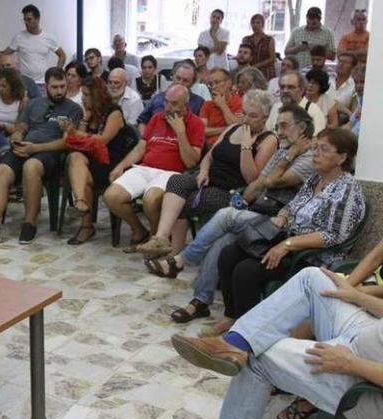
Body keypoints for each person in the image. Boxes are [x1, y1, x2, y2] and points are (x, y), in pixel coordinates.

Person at [170, 251, 383, 419]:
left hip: (361, 381)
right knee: (311, 278)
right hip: (365, 335)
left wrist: (351, 363)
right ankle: (235, 343)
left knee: (259, 353)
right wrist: (356, 295)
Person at [150, 105, 317, 328]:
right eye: (278, 126)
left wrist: (287, 158)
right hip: (258, 211)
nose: (280, 131)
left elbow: (273, 181)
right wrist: (250, 194)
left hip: (280, 220)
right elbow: (254, 186)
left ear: (303, 127)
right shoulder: (282, 152)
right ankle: (200, 300)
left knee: (226, 215)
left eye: (284, 125)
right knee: (223, 238)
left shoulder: (308, 157)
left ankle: (182, 260)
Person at [215, 128, 365, 330]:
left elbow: (333, 236)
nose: (316, 153)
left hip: (312, 256)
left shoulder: (347, 188)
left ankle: (246, 331)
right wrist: (282, 217)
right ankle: (231, 316)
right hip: (288, 240)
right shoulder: (315, 179)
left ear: (341, 158)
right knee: (229, 253)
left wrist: (288, 244)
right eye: (315, 148)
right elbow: (292, 206)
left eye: (324, 149)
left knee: (247, 270)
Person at [137, 89, 276, 257]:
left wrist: (246, 147)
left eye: (252, 116)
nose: (246, 119)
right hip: (208, 178)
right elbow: (209, 157)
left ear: (266, 117)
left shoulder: (268, 140)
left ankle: (174, 254)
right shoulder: (233, 128)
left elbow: (251, 178)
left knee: (183, 203)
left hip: (229, 189)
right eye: (244, 114)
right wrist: (203, 171)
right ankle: (161, 239)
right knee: (176, 181)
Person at [0, 67, 82, 249]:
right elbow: (20, 127)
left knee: (31, 167)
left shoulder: (73, 109)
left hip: (50, 152)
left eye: (62, 86)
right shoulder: (34, 104)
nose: (60, 91)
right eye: (55, 87)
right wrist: (17, 138)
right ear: (46, 87)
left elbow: (67, 143)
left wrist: (35, 148)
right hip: (25, 147)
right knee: (2, 170)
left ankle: (29, 223)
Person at [103, 85, 205, 252]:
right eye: (166, 102)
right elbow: (140, 149)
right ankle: (140, 231)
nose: (168, 107)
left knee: (151, 200)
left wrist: (180, 133)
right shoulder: (157, 118)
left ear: (185, 106)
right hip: (145, 168)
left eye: (173, 103)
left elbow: (191, 163)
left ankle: (157, 239)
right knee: (111, 196)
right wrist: (120, 166)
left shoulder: (195, 123)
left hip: (172, 173)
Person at [65, 76, 137, 245]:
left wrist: (77, 133)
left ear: (96, 95)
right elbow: (80, 142)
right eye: (82, 94)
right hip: (92, 160)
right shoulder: (90, 113)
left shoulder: (114, 112)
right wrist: (84, 119)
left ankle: (86, 225)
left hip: (112, 163)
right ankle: (81, 202)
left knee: (83, 176)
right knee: (75, 156)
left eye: (86, 95)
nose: (83, 98)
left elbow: (102, 140)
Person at [3, 4, 66, 85]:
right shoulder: (19, 37)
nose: (26, 22)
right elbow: (5, 54)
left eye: (29, 19)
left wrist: (57, 72)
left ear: (38, 19)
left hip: (43, 82)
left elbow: (62, 55)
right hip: (24, 82)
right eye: (24, 20)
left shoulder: (48, 37)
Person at [136, 62, 205, 134]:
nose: (180, 83)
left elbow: (200, 129)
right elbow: (142, 121)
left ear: (192, 83)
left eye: (185, 81)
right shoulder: (158, 98)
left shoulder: (199, 102)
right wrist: (144, 140)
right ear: (172, 77)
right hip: (154, 140)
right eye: (178, 78)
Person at [266, 71, 327, 136]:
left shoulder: (313, 111)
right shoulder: (276, 108)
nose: (285, 91)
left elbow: (316, 140)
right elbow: (268, 133)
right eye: (282, 87)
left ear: (302, 90)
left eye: (290, 87)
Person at [0, 67, 29, 159]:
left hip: (12, 134)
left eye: (4, 86)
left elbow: (19, 129)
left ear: (13, 86)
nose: (0, 88)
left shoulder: (22, 101)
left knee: (5, 137)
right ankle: (4, 154)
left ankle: (4, 154)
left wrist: (3, 126)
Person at [199, 68, 244, 145]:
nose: (213, 87)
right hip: (209, 145)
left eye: (217, 82)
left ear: (229, 83)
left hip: (230, 145)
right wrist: (225, 129)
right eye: (210, 84)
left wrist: (223, 106)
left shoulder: (240, 102)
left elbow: (237, 127)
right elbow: (201, 130)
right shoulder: (207, 104)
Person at [242, 13, 277, 80]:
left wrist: (256, 66)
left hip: (265, 71)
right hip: (249, 70)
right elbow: (242, 55)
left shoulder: (269, 39)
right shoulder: (246, 39)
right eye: (253, 23)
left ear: (263, 25)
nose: (255, 25)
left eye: (258, 23)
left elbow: (272, 59)